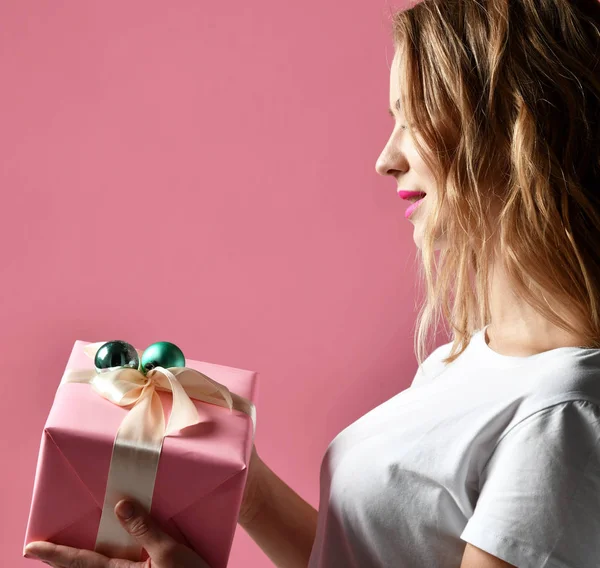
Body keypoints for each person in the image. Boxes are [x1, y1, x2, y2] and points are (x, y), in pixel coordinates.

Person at [23, 0, 600, 566]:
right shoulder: (473, 355)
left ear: (515, 131)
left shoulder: (561, 415)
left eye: (414, 116)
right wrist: (247, 489)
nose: (386, 158)